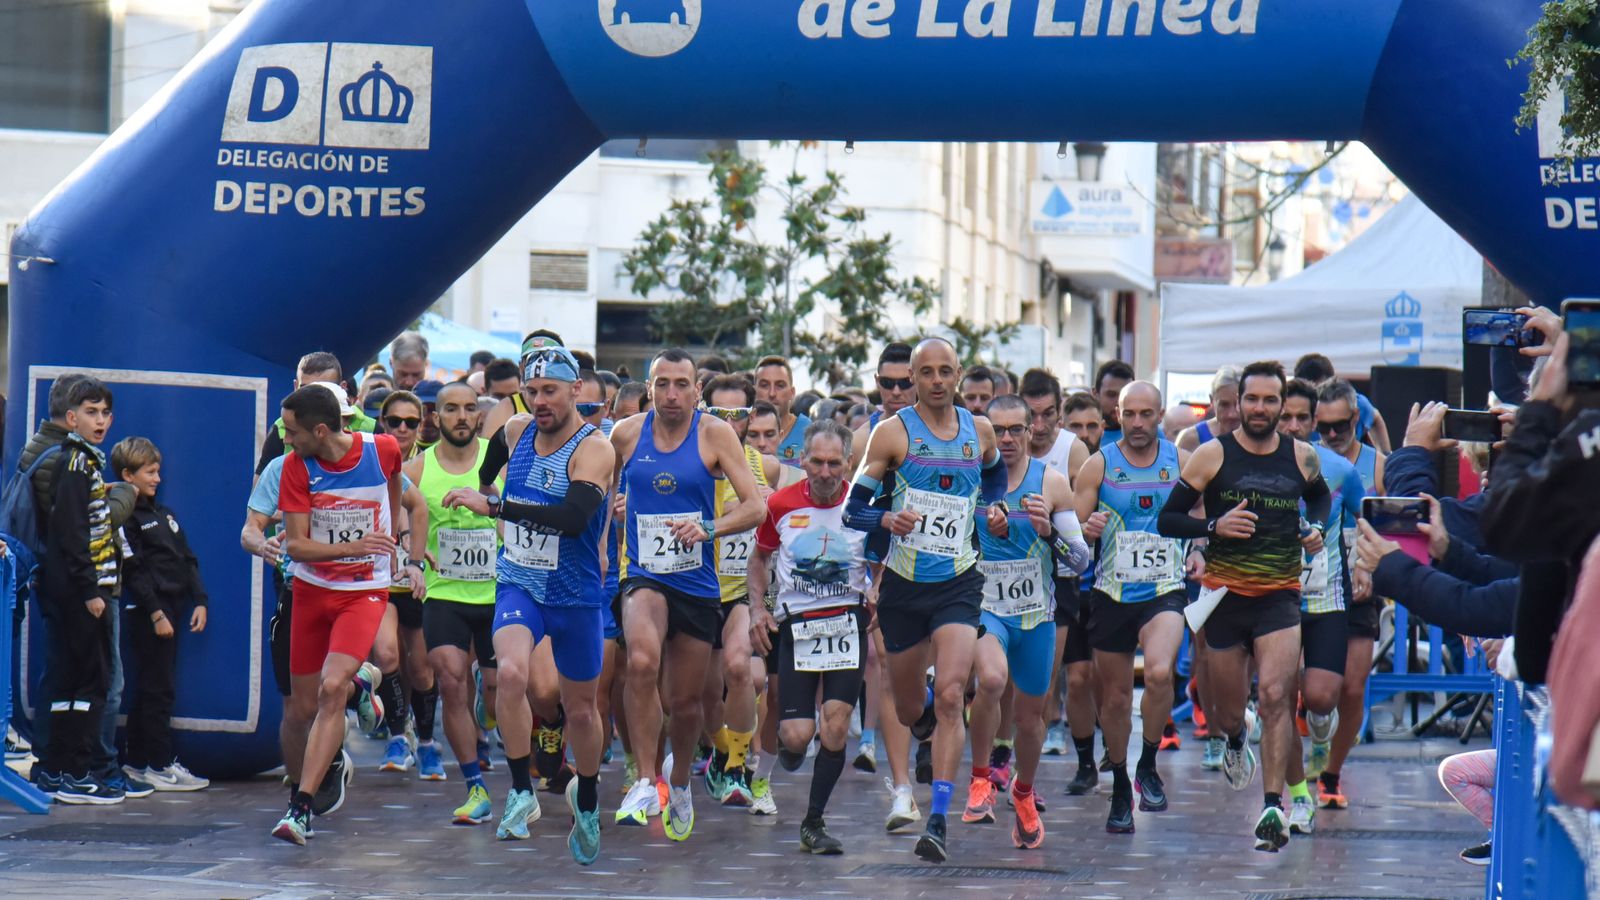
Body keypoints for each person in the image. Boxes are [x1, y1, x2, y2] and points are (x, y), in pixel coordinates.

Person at [444, 346, 617, 863]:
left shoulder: (594, 449)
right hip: (519, 581)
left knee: (580, 709)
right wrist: (485, 490)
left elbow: (572, 519)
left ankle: (588, 796)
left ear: (576, 391)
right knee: (511, 674)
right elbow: (490, 463)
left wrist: (496, 506)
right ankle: (521, 789)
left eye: (550, 391)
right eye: (532, 391)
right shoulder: (517, 430)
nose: (540, 401)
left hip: (574, 593)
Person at [1158, 361, 1331, 853]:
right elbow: (1168, 520)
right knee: (1230, 713)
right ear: (1237, 403)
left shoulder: (1302, 456)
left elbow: (1319, 501)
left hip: (1280, 596)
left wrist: (1315, 528)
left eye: (1269, 400)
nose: (1260, 408)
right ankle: (1237, 737)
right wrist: (1213, 527)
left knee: (1277, 696)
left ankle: (1272, 807)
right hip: (1224, 598)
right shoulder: (1211, 455)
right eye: (1252, 399)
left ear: (1282, 405)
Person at [846, 336, 1006, 863]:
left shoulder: (979, 430)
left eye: (945, 371)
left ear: (958, 374)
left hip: (959, 581)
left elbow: (994, 474)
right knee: (913, 704)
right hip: (903, 585)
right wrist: (887, 518)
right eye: (927, 372)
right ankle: (922, 723)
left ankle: (937, 820)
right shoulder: (893, 433)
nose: (937, 381)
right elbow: (852, 510)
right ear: (913, 378)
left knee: (954, 694)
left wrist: (996, 509)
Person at [609, 348, 767, 840]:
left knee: (685, 702)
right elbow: (602, 495)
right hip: (643, 573)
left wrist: (708, 527)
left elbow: (755, 507)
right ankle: (644, 780)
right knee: (639, 662)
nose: (672, 394)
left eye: (681, 384)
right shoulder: (625, 434)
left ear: (697, 390)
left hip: (697, 581)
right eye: (662, 384)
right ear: (649, 388)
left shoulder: (714, 434)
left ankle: (679, 781)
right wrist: (606, 530)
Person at [272, 384, 426, 845]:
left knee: (331, 688)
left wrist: (392, 538)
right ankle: (360, 684)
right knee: (303, 707)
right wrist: (357, 544)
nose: (287, 439)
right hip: (312, 591)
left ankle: (301, 809)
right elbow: (297, 545)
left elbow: (396, 486)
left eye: (293, 432)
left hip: (363, 592)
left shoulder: (382, 449)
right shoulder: (296, 467)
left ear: (320, 430)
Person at [966, 396, 1088, 848]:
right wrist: (982, 531)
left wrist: (1048, 532)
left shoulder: (1050, 482)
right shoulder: (971, 481)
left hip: (1036, 615)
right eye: (997, 430)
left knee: (1031, 718)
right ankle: (981, 778)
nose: (1006, 439)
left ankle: (1023, 791)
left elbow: (1080, 560)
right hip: (986, 608)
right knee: (992, 680)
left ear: (1030, 431)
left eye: (1015, 429)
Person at [1074, 381, 1193, 835]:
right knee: (1116, 698)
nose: (1138, 423)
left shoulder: (1180, 461)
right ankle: (1122, 783)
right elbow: (1074, 531)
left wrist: (1200, 549)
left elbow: (1201, 511)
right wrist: (1087, 527)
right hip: (1112, 593)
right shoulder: (1099, 465)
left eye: (1147, 414)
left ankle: (1148, 762)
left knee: (1160, 673)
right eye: (1129, 414)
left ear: (1160, 415)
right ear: (1117, 416)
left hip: (1164, 588)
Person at [747, 420, 872, 854]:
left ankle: (813, 822)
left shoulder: (864, 505)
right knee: (797, 736)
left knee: (835, 726)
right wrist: (757, 608)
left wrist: (879, 590)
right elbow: (759, 558)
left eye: (834, 463)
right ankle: (791, 744)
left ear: (849, 463)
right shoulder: (780, 504)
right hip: (796, 626)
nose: (824, 472)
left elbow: (884, 558)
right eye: (816, 462)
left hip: (847, 624)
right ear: (801, 460)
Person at [401, 382, 501, 824]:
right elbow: (396, 512)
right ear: (435, 417)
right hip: (444, 594)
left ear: (479, 415)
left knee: (497, 694)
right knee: (450, 681)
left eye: (469, 408)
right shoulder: (418, 468)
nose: (462, 417)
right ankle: (475, 786)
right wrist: (412, 547)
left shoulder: (498, 460)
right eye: (452, 409)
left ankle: (489, 696)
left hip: (498, 594)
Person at [1276, 378, 1366, 834]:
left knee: (1322, 696)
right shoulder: (1250, 465)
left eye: (1301, 418)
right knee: (1276, 698)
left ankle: (1318, 727)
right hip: (1272, 598)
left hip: (1325, 594)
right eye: (1285, 417)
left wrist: (1366, 565)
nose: (1293, 426)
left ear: (1313, 421)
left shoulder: (1340, 470)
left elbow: (1367, 520)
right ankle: (1298, 797)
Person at [32, 376, 127, 804]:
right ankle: (74, 771)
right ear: (71, 418)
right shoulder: (77, 463)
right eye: (91, 412)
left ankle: (59, 768)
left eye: (105, 412)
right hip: (83, 592)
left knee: (73, 682)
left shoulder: (84, 462)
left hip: (76, 590)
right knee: (89, 683)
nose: (100, 420)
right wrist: (91, 591)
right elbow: (72, 533)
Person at [113, 437, 211, 792]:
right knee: (157, 690)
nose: (157, 478)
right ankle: (159, 763)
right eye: (150, 472)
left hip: (174, 607)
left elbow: (187, 558)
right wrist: (156, 613)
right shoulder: (125, 518)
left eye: (158, 472)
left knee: (154, 687)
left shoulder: (165, 515)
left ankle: (138, 762)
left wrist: (199, 600)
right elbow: (133, 569)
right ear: (128, 475)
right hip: (148, 613)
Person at [698, 374, 777, 807]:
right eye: (719, 413)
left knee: (739, 668)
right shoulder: (691, 458)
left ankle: (738, 766)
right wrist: (739, 508)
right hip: (697, 587)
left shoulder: (765, 465)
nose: (729, 423)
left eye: (739, 414)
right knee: (704, 690)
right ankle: (720, 749)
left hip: (740, 590)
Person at [1311, 378, 1386, 811]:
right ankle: (1311, 731)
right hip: (1311, 584)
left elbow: (1389, 525)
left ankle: (1331, 773)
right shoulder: (1307, 459)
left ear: (1357, 419)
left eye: (1340, 425)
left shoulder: (1376, 465)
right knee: (1311, 687)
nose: (1332, 435)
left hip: (1360, 584)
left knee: (1354, 687)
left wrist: (1370, 566)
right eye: (1323, 427)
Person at [370, 390, 442, 775]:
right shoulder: (369, 458)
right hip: (380, 579)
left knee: (423, 668)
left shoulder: (430, 462)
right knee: (386, 656)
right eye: (394, 421)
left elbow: (423, 510)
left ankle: (427, 742)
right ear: (382, 422)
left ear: (421, 425)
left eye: (410, 422)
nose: (402, 428)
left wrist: (418, 552)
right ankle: (398, 737)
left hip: (420, 578)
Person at [256, 352, 377, 476]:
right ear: (295, 387)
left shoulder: (372, 429)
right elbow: (262, 484)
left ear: (342, 388)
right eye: (305, 389)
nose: (311, 399)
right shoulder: (280, 429)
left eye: (323, 390)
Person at [1293, 353, 1393, 453]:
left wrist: (1387, 454)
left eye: (1341, 424)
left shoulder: (1354, 402)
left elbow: (1376, 417)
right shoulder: (1296, 413)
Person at [754, 357, 810, 467]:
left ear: (792, 393)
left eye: (780, 386)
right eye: (764, 385)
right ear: (754, 391)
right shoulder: (741, 432)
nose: (772, 393)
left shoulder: (809, 433)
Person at [1175, 365, 1243, 452]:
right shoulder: (1191, 438)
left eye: (1238, 404)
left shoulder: (1258, 438)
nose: (1232, 414)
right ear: (1212, 401)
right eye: (1224, 405)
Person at [1093, 361, 1135, 446]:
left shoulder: (1150, 435)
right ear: (1095, 394)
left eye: (1126, 395)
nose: (1119, 402)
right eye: (1111, 395)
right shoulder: (1083, 435)